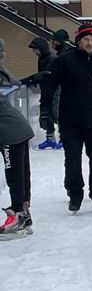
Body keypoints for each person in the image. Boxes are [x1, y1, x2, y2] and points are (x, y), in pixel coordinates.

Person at [38, 24, 92, 212]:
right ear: (79, 41)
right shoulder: (64, 60)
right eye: (86, 39)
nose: (90, 43)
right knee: (73, 160)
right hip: (71, 121)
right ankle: (75, 195)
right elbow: (49, 86)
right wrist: (46, 111)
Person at [0, 90, 34, 238]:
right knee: (22, 173)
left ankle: (17, 218)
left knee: (15, 175)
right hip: (19, 127)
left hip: (9, 132)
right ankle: (24, 215)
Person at [23, 37, 61, 149]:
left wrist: (31, 79)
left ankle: (64, 138)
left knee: (57, 113)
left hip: (55, 90)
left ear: (42, 48)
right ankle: (50, 138)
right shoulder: (42, 58)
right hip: (46, 89)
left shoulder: (52, 58)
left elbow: (46, 74)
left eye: (36, 49)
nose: (35, 52)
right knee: (46, 113)